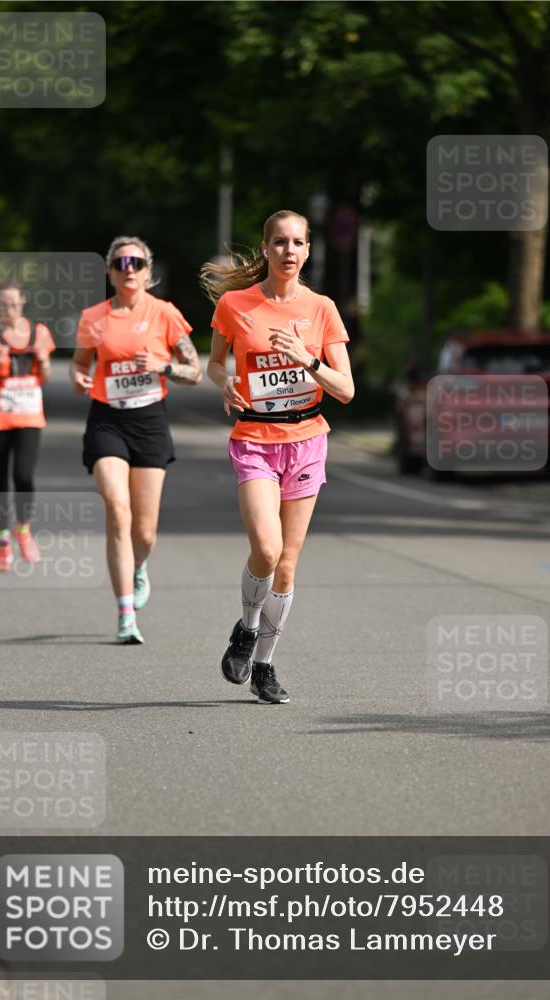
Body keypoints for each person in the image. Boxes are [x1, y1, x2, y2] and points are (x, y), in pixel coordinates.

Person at [202, 209, 354, 704]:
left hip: (307, 439)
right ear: (266, 248)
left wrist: (306, 359)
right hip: (254, 439)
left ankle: (264, 666)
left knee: (286, 565)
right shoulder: (235, 304)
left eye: (298, 243)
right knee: (266, 550)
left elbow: (346, 389)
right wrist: (225, 382)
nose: (289, 251)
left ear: (308, 251)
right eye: (280, 242)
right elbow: (215, 363)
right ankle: (246, 630)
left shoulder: (322, 308)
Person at [71, 236, 201, 644]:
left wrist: (163, 366)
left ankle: (139, 565)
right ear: (110, 272)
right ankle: (125, 614)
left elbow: (195, 370)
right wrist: (79, 378)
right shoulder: (94, 317)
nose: (129, 269)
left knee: (144, 533)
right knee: (117, 507)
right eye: (121, 263)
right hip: (106, 421)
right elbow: (79, 364)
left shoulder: (164, 313)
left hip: (149, 423)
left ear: (148, 272)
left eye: (137, 263)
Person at [0, 279, 55, 572]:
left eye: (15, 304)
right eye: (4, 305)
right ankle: (2, 543)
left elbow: (44, 377)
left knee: (23, 476)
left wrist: (43, 362)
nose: (10, 310)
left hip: (29, 417)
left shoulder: (39, 333)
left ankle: (23, 530)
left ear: (23, 301)